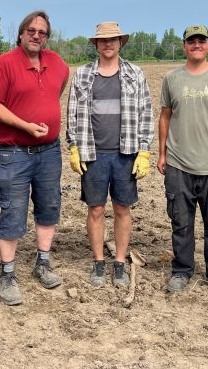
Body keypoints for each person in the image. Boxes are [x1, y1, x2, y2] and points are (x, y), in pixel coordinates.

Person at [0, 10, 70, 306]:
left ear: (47, 37)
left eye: (42, 32)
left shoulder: (57, 64)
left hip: (50, 152)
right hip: (16, 153)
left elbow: (55, 92)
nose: (36, 35)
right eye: (31, 30)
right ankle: (7, 274)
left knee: (49, 206)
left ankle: (42, 263)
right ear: (21, 33)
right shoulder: (5, 63)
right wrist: (25, 125)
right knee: (13, 211)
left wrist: (44, 119)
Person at [66, 22, 153, 288]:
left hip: (125, 154)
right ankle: (98, 263)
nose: (108, 44)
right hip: (93, 154)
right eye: (103, 40)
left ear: (120, 43)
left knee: (122, 209)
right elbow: (72, 114)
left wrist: (145, 151)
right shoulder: (82, 75)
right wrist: (73, 146)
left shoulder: (134, 74)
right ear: (95, 44)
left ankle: (119, 263)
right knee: (95, 209)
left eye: (113, 39)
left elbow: (145, 112)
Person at [157, 24, 208, 297]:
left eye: (201, 40)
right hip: (179, 164)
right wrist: (162, 153)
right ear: (184, 46)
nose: (196, 45)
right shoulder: (172, 79)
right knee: (181, 223)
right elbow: (165, 116)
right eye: (191, 41)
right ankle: (182, 271)